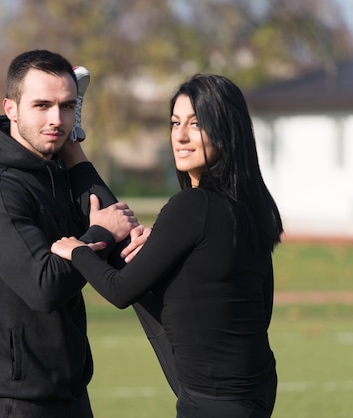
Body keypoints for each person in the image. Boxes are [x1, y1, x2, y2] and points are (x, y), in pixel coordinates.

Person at [51, 73, 284, 418]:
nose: (181, 135)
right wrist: (164, 252)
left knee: (124, 251)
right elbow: (260, 309)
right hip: (253, 389)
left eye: (196, 124)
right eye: (176, 123)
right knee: (129, 246)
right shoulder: (250, 206)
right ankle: (73, 144)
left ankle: (72, 141)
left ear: (226, 130)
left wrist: (78, 251)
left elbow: (120, 291)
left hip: (214, 399)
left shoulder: (193, 206)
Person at [0, 49, 140, 418]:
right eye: (42, 106)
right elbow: (44, 286)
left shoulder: (55, 172)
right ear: (11, 109)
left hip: (67, 395)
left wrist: (72, 147)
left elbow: (121, 232)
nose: (56, 119)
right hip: (11, 402)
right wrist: (99, 233)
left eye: (68, 107)